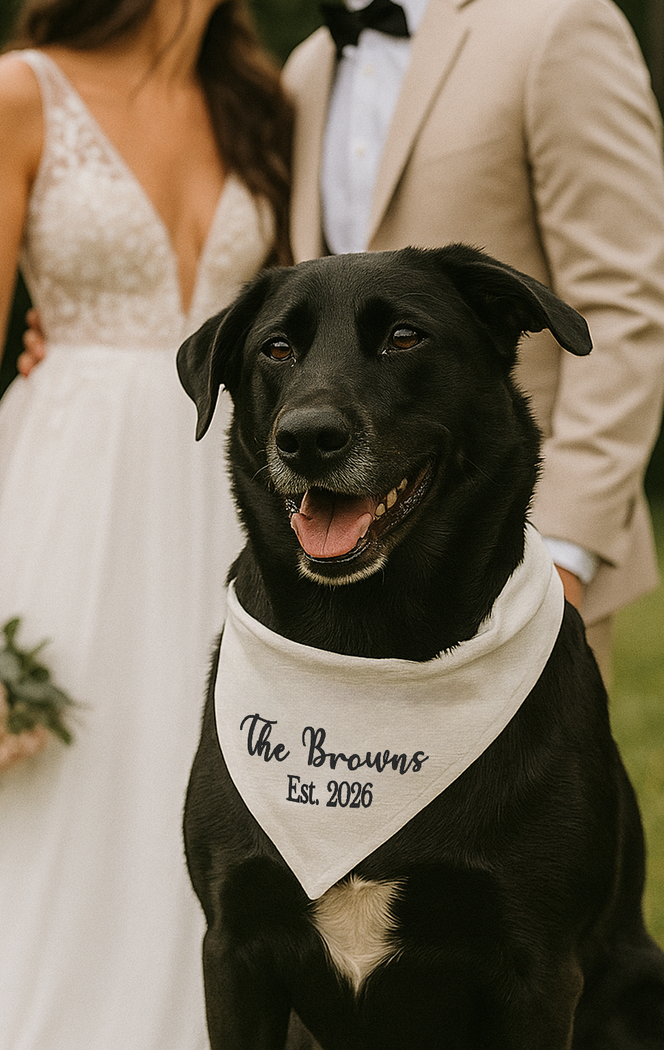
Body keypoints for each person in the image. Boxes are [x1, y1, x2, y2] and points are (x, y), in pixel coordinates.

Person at [0, 0, 291, 1047]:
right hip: (72, 481)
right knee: (73, 773)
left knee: (203, 764)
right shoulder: (20, 90)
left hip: (226, 490)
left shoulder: (262, 102)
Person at [283, 0, 664, 680]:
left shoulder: (559, 25)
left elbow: (624, 302)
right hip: (347, 560)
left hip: (514, 547)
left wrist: (562, 553)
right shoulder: (308, 68)